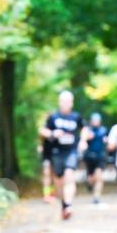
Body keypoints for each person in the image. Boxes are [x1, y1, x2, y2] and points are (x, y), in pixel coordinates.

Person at [38, 91, 83, 219]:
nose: (65, 104)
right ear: (59, 102)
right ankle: (64, 203)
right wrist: (52, 134)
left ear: (72, 103)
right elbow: (42, 130)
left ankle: (68, 205)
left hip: (71, 151)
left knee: (69, 175)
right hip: (56, 152)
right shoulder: (53, 117)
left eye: (68, 101)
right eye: (63, 101)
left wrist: (83, 141)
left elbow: (84, 129)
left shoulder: (76, 117)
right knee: (59, 182)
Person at [79, 112, 108, 204]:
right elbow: (82, 139)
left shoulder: (103, 130)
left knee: (99, 176)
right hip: (89, 156)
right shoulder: (87, 130)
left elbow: (108, 141)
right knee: (91, 178)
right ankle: (90, 184)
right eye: (94, 120)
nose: (95, 122)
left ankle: (97, 197)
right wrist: (86, 139)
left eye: (97, 120)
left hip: (100, 156)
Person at [40, 137, 55, 203]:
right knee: (46, 174)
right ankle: (46, 195)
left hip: (56, 156)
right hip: (46, 156)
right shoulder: (46, 129)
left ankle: (51, 194)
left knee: (53, 176)